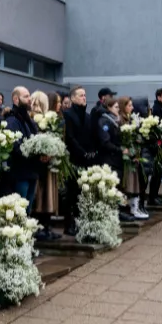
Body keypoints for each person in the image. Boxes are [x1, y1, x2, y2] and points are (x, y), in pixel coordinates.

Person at [4, 86, 43, 213]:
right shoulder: (12, 120)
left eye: (29, 96)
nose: (29, 99)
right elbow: (15, 146)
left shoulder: (28, 120)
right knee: (19, 210)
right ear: (16, 99)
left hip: (31, 170)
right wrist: (33, 151)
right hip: (20, 172)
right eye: (26, 96)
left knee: (28, 209)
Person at [62, 86, 94, 236]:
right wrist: (82, 152)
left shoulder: (88, 117)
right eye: (81, 95)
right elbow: (70, 137)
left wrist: (92, 152)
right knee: (71, 193)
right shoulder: (67, 114)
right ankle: (69, 223)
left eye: (85, 95)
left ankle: (81, 222)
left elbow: (90, 137)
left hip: (86, 159)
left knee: (82, 193)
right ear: (73, 98)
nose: (84, 97)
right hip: (73, 158)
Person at [31, 90, 62, 240]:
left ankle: (46, 226)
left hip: (49, 163)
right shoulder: (35, 120)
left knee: (48, 196)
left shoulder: (49, 119)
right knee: (40, 196)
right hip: (39, 164)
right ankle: (40, 228)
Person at [118, 96, 150, 220]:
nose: (132, 108)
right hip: (125, 156)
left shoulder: (131, 119)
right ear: (123, 106)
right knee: (126, 183)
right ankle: (126, 209)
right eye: (129, 105)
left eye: (132, 105)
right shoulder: (120, 119)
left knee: (135, 182)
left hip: (134, 155)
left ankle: (134, 208)